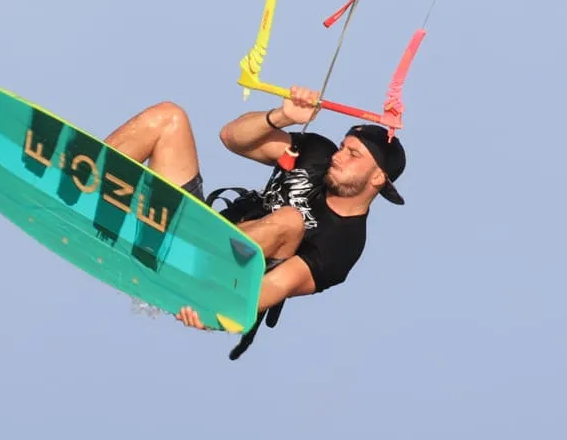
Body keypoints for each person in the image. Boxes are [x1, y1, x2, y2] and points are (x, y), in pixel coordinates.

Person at [100, 84, 407, 333]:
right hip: (195, 227)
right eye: (343, 147)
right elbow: (232, 138)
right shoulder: (318, 155)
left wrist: (207, 307)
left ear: (378, 177)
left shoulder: (343, 244)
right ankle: (79, 178)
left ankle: (187, 260)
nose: (339, 156)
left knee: (290, 221)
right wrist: (282, 116)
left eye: (353, 154)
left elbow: (269, 288)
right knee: (168, 117)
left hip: (215, 279)